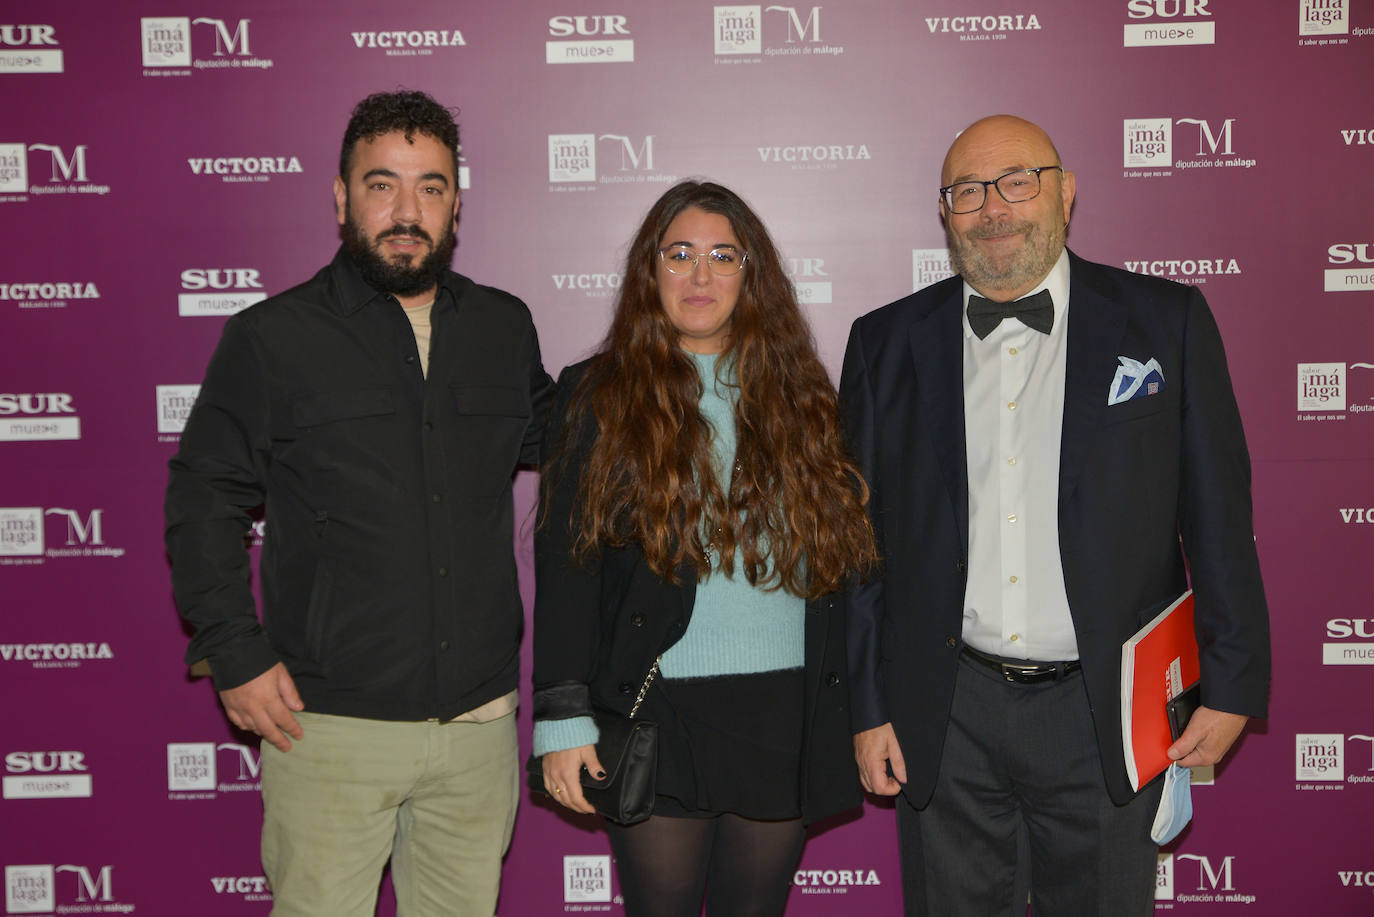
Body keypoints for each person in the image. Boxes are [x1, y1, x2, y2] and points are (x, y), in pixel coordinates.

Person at [839, 115, 1271, 916]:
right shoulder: (884, 342)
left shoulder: (1165, 321)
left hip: (1103, 708)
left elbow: (1218, 515)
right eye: (967, 191)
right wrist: (867, 709)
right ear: (944, 213)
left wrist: (1234, 681)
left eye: (1017, 181)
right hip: (946, 710)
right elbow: (858, 549)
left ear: (1065, 194)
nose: (993, 208)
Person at [164, 90, 553, 917]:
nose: (407, 211)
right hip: (329, 723)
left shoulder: (502, 327)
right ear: (341, 196)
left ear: (457, 203)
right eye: (383, 184)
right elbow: (204, 496)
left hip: (479, 726)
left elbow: (574, 436)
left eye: (432, 187)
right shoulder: (273, 337)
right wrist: (232, 647)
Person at [532, 180, 878, 917]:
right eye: (680, 254)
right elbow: (567, 566)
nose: (700, 276)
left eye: (724, 256)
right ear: (648, 271)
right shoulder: (597, 394)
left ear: (752, 274)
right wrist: (562, 715)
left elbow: (840, 560)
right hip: (659, 710)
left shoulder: (800, 394)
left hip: (781, 711)